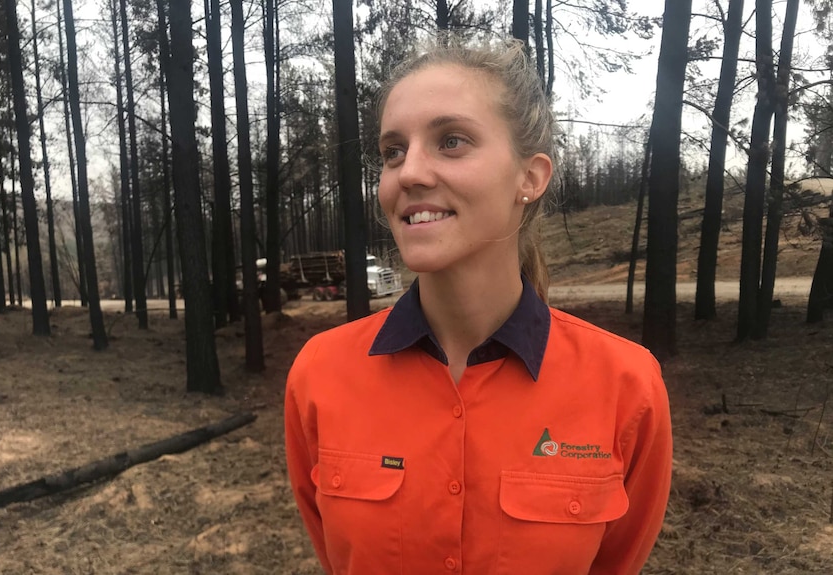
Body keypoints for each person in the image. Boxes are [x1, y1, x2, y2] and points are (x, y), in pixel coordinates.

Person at [285, 36, 672, 575]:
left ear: (529, 178)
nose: (409, 173)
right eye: (393, 151)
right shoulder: (321, 375)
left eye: (451, 141)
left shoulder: (626, 386)